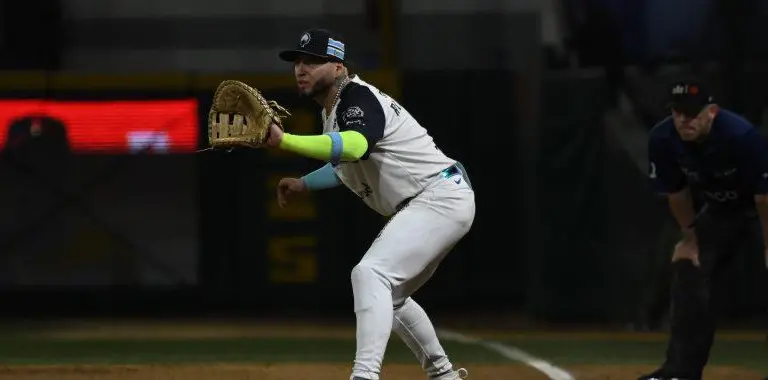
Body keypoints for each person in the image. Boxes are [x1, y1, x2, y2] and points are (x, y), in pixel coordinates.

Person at [267, 28, 474, 380]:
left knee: (370, 274)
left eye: (313, 61)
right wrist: (305, 183)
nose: (301, 68)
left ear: (338, 67)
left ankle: (364, 376)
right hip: (436, 198)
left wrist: (286, 141)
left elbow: (356, 146)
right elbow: (345, 165)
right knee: (390, 297)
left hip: (437, 196)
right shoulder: (335, 111)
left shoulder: (357, 98)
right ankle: (443, 374)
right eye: (298, 61)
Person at [643, 78, 768, 380]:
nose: (683, 120)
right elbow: (677, 194)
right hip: (722, 211)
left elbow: (764, 198)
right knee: (688, 268)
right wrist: (691, 238)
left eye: (691, 113)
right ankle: (680, 371)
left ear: (711, 112)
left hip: (760, 208)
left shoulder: (741, 135)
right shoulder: (662, 138)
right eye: (677, 112)